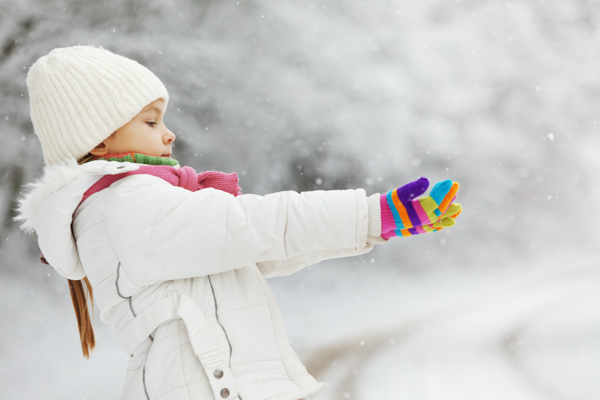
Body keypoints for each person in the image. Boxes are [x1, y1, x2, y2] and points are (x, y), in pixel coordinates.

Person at [15, 46, 462, 400]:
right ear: (97, 142)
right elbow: (250, 225)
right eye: (150, 121)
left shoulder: (136, 205)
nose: (169, 134)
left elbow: (252, 249)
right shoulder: (126, 205)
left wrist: (372, 226)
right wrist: (367, 212)